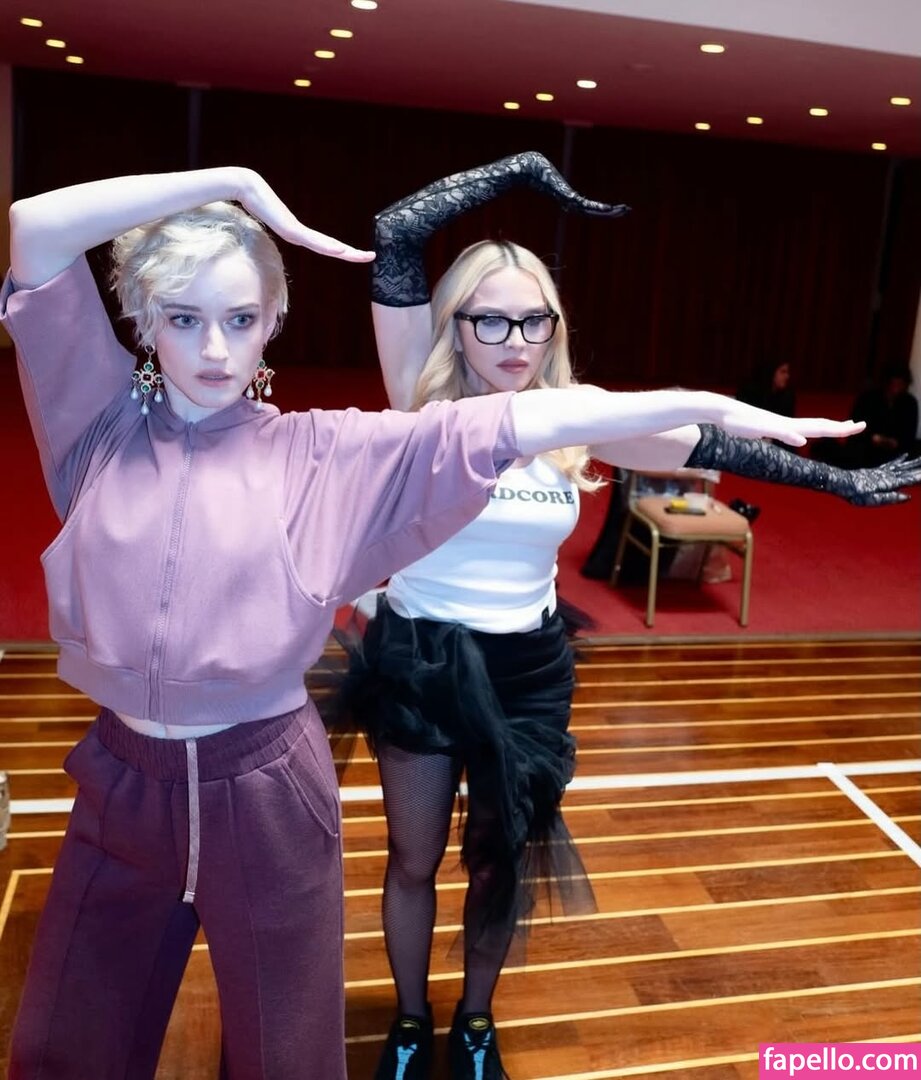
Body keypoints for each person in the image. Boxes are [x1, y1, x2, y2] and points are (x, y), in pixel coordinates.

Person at [2, 165, 908, 1080]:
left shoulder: (323, 452)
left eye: (239, 318)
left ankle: (469, 1019)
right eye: (183, 317)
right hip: (135, 776)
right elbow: (36, 226)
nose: (212, 349)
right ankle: (411, 1017)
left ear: (273, 322)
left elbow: (527, 420)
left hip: (278, 779)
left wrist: (705, 409)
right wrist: (234, 181)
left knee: (293, 1051)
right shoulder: (98, 430)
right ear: (142, 319)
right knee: (66, 1046)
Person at [345, 151, 921, 1080]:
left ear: (554, 327)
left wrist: (838, 483)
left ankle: (475, 1025)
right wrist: (523, 170)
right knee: (413, 859)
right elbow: (397, 230)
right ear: (453, 324)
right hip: (420, 658)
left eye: (534, 319)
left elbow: (708, 441)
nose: (514, 340)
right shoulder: (418, 391)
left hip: (526, 670)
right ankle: (411, 1025)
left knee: (497, 862)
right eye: (490, 318)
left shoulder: (573, 416)